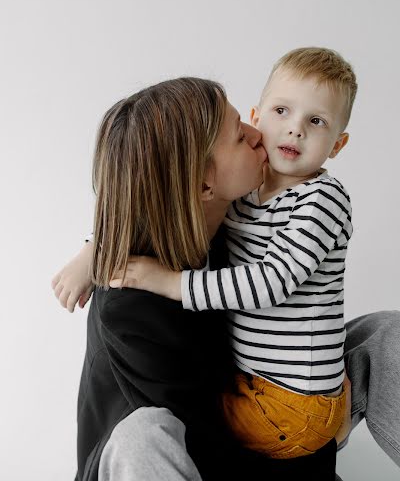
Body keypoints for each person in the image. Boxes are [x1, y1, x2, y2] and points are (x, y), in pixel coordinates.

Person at [53, 76, 400, 479]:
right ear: (202, 184)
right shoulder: (131, 306)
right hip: (187, 458)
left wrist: (93, 245)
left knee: (385, 334)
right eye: (239, 136)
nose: (260, 134)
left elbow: (138, 198)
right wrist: (316, 447)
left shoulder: (232, 225)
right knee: (143, 435)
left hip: (262, 407)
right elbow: (208, 446)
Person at [107, 47, 356, 459]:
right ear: (257, 117)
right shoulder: (248, 197)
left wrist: (170, 283)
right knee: (165, 423)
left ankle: (329, 431)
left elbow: (272, 281)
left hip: (292, 402)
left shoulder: (322, 199)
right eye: (281, 111)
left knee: (196, 424)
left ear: (337, 144)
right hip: (261, 386)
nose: (295, 130)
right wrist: (95, 248)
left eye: (316, 121)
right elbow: (154, 203)